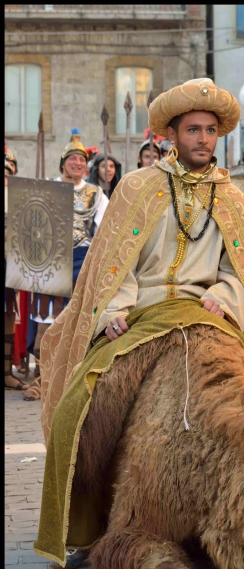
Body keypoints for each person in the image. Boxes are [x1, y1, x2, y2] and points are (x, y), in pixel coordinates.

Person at [35, 77, 244, 569]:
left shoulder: (233, 198)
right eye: (193, 129)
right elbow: (114, 266)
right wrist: (112, 312)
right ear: (172, 134)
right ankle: (86, 525)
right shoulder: (136, 188)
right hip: (140, 314)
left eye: (211, 131)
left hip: (206, 312)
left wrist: (224, 295)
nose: (203, 140)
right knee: (76, 410)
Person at [23, 129, 109, 401]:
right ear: (63, 163)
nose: (78, 164)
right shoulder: (47, 187)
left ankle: (71, 380)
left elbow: (104, 229)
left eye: (82, 160)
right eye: (73, 159)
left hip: (82, 260)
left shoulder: (96, 194)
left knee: (78, 319)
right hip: (49, 258)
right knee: (47, 318)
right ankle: (41, 379)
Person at [5, 153, 30, 391]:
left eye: (8, 171)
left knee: (8, 316)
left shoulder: (16, 198)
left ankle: (6, 373)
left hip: (9, 264)